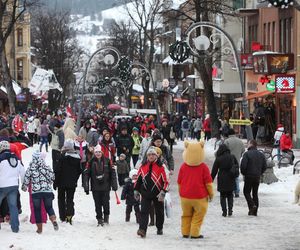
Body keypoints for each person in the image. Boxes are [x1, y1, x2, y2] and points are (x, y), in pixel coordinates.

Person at [134, 146, 169, 238]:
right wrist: (136, 190)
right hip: (145, 193)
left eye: (153, 154)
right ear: (147, 156)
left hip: (158, 194)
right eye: (149, 155)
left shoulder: (161, 167)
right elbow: (138, 180)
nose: (151, 156)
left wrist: (163, 192)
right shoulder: (142, 166)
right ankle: (142, 230)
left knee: (159, 212)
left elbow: (166, 181)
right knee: (144, 212)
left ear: (156, 156)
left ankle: (159, 227)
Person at [22, 150, 59, 234]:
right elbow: (52, 177)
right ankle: (53, 220)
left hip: (36, 192)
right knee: (49, 207)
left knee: (37, 210)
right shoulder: (46, 167)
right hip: (47, 191)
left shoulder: (31, 168)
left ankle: (39, 229)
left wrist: (24, 187)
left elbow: (26, 180)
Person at [83, 144, 118, 226]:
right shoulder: (90, 162)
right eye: (96, 152)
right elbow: (86, 174)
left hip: (106, 186)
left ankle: (106, 218)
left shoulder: (108, 160)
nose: (98, 154)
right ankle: (99, 219)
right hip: (95, 187)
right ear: (94, 153)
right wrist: (86, 186)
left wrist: (114, 184)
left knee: (106, 203)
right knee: (97, 204)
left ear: (102, 152)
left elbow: (113, 173)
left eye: (99, 152)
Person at [54, 139, 82, 224]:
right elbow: (79, 170)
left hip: (61, 183)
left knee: (61, 199)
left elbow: (57, 170)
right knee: (70, 199)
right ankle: (69, 216)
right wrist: (75, 179)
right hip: (72, 183)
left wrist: (55, 182)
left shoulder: (61, 157)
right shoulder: (77, 158)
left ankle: (62, 217)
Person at [0, 141, 25, 233]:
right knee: (13, 206)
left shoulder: (0, 158)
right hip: (13, 186)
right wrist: (23, 183)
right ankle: (15, 227)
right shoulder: (17, 159)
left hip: (1, 186)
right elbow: (22, 171)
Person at [240, 140, 267, 216]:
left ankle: (252, 206)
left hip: (249, 176)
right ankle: (254, 211)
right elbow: (265, 166)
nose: (247, 145)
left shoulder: (247, 154)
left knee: (246, 192)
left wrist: (244, 173)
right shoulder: (261, 154)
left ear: (251, 144)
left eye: (248, 144)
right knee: (255, 193)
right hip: (257, 176)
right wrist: (260, 172)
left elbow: (243, 166)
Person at [211, 144, 238, 217]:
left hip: (222, 178)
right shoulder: (232, 157)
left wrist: (210, 180)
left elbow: (214, 171)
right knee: (230, 195)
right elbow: (237, 166)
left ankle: (224, 211)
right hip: (231, 177)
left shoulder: (219, 158)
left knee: (222, 195)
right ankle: (230, 210)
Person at [224, 128, 245, 198]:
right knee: (236, 177)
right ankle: (237, 191)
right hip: (237, 162)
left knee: (228, 177)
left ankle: (230, 191)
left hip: (228, 162)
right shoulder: (240, 141)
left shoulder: (226, 141)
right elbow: (243, 150)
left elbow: (223, 151)